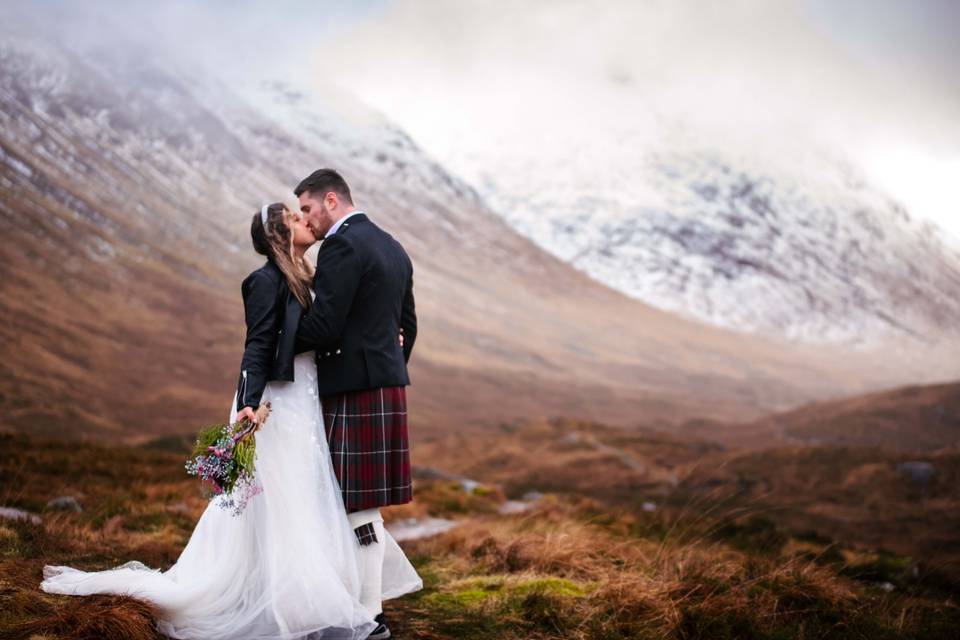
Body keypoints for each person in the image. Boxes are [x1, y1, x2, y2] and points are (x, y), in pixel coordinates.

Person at [40, 202, 422, 640]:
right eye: (296, 219)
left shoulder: (307, 277)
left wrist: (379, 335)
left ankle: (302, 596)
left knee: (305, 497)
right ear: (280, 235)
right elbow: (257, 344)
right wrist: (248, 402)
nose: (306, 221)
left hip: (306, 400)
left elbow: (330, 323)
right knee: (281, 502)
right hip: (274, 407)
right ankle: (289, 603)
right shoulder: (263, 281)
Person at [274, 169, 417, 640]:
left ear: (331, 201)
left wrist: (270, 346)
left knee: (356, 508)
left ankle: (368, 616)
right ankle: (366, 609)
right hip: (385, 387)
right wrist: (386, 362)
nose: (308, 222)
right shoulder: (393, 246)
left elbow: (328, 325)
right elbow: (407, 327)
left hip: (354, 389)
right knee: (364, 507)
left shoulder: (341, 245)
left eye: (310, 209)